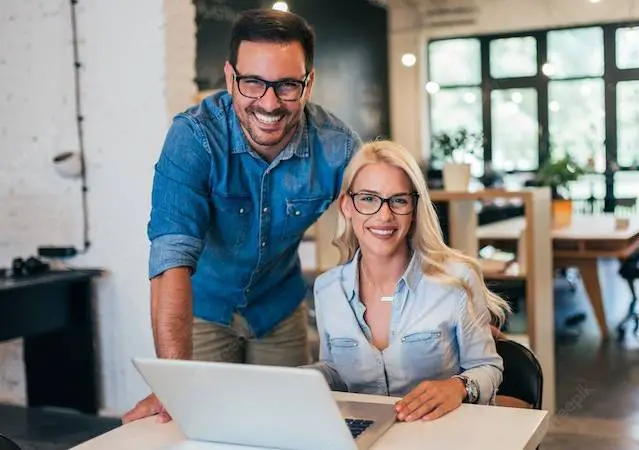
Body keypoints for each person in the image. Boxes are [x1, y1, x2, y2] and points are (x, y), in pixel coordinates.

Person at [122, 9, 361, 423]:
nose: (269, 104)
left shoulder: (337, 146)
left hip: (279, 307)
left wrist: (458, 306)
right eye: (253, 83)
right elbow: (170, 260)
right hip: (202, 308)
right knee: (205, 425)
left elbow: (391, 226)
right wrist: (174, 382)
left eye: (287, 85)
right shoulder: (194, 137)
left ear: (309, 82)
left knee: (287, 426)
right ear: (230, 77)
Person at [306, 140, 510, 422]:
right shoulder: (327, 289)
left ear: (414, 210)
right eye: (368, 198)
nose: (384, 215)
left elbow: (487, 366)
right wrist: (303, 378)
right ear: (347, 206)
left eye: (398, 200)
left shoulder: (457, 280)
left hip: (440, 436)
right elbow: (336, 372)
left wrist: (458, 387)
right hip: (366, 437)